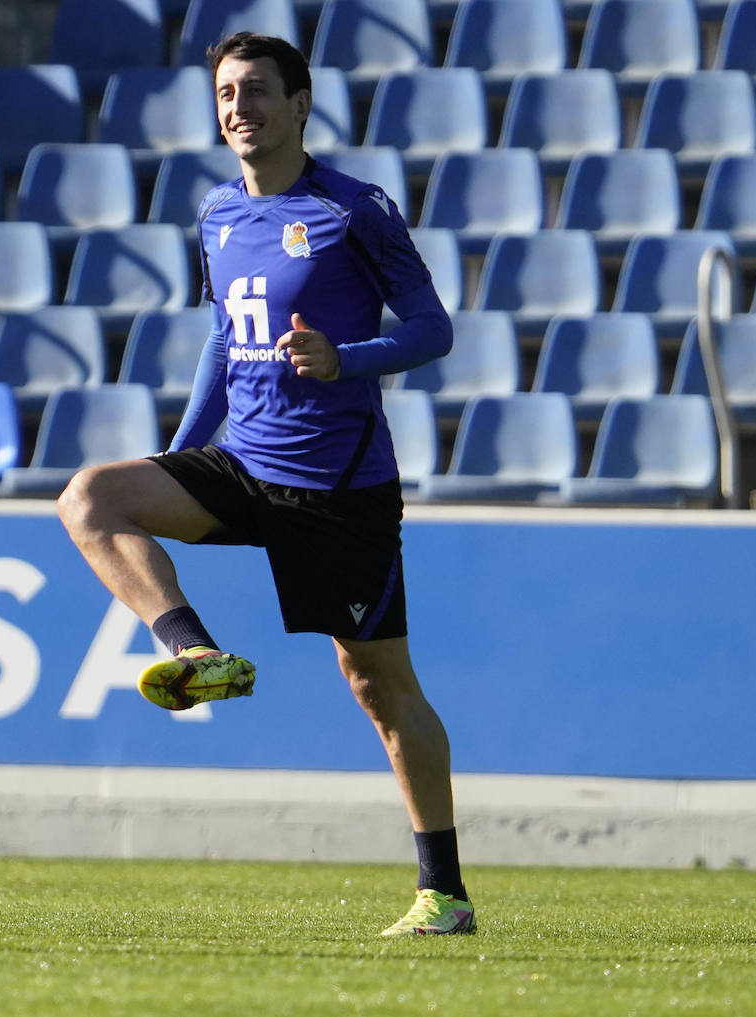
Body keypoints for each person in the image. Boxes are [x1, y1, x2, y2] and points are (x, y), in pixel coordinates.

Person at [57, 31, 474, 937]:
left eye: (254, 91)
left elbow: (433, 329)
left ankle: (444, 893)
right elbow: (223, 338)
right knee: (92, 497)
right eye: (225, 94)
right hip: (244, 465)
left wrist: (344, 358)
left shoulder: (353, 210)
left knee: (378, 684)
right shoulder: (215, 213)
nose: (237, 108)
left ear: (299, 105)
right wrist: (176, 458)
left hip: (338, 486)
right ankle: (197, 653)